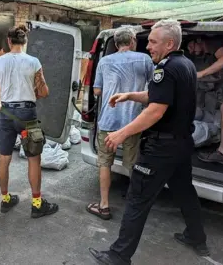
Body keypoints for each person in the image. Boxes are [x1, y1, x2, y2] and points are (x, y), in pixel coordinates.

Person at [88, 19, 209, 265]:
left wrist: (121, 134)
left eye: (153, 42)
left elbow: (156, 110)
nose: (148, 46)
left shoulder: (164, 69)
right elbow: (159, 95)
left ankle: (119, 255)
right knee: (185, 192)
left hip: (161, 148)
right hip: (181, 145)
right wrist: (130, 95)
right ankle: (197, 238)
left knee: (137, 199)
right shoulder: (184, 64)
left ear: (170, 43)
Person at [0, 24, 59, 218]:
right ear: (25, 41)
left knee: (4, 157)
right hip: (27, 115)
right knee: (33, 159)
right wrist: (32, 92)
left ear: (9, 41)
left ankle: (6, 200)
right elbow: (43, 91)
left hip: (7, 114)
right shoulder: (33, 62)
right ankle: (36, 203)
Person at [86, 27, 154, 220]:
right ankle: (136, 205)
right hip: (133, 122)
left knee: (105, 163)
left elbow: (97, 92)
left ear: (116, 44)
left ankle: (104, 205)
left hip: (108, 120)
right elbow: (153, 88)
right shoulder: (145, 59)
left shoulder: (105, 61)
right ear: (133, 40)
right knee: (133, 164)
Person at [187, 38, 223, 166]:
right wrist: (201, 79)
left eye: (190, 46)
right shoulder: (211, 52)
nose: (191, 51)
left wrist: (200, 74)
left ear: (198, 40)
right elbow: (219, 76)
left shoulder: (211, 42)